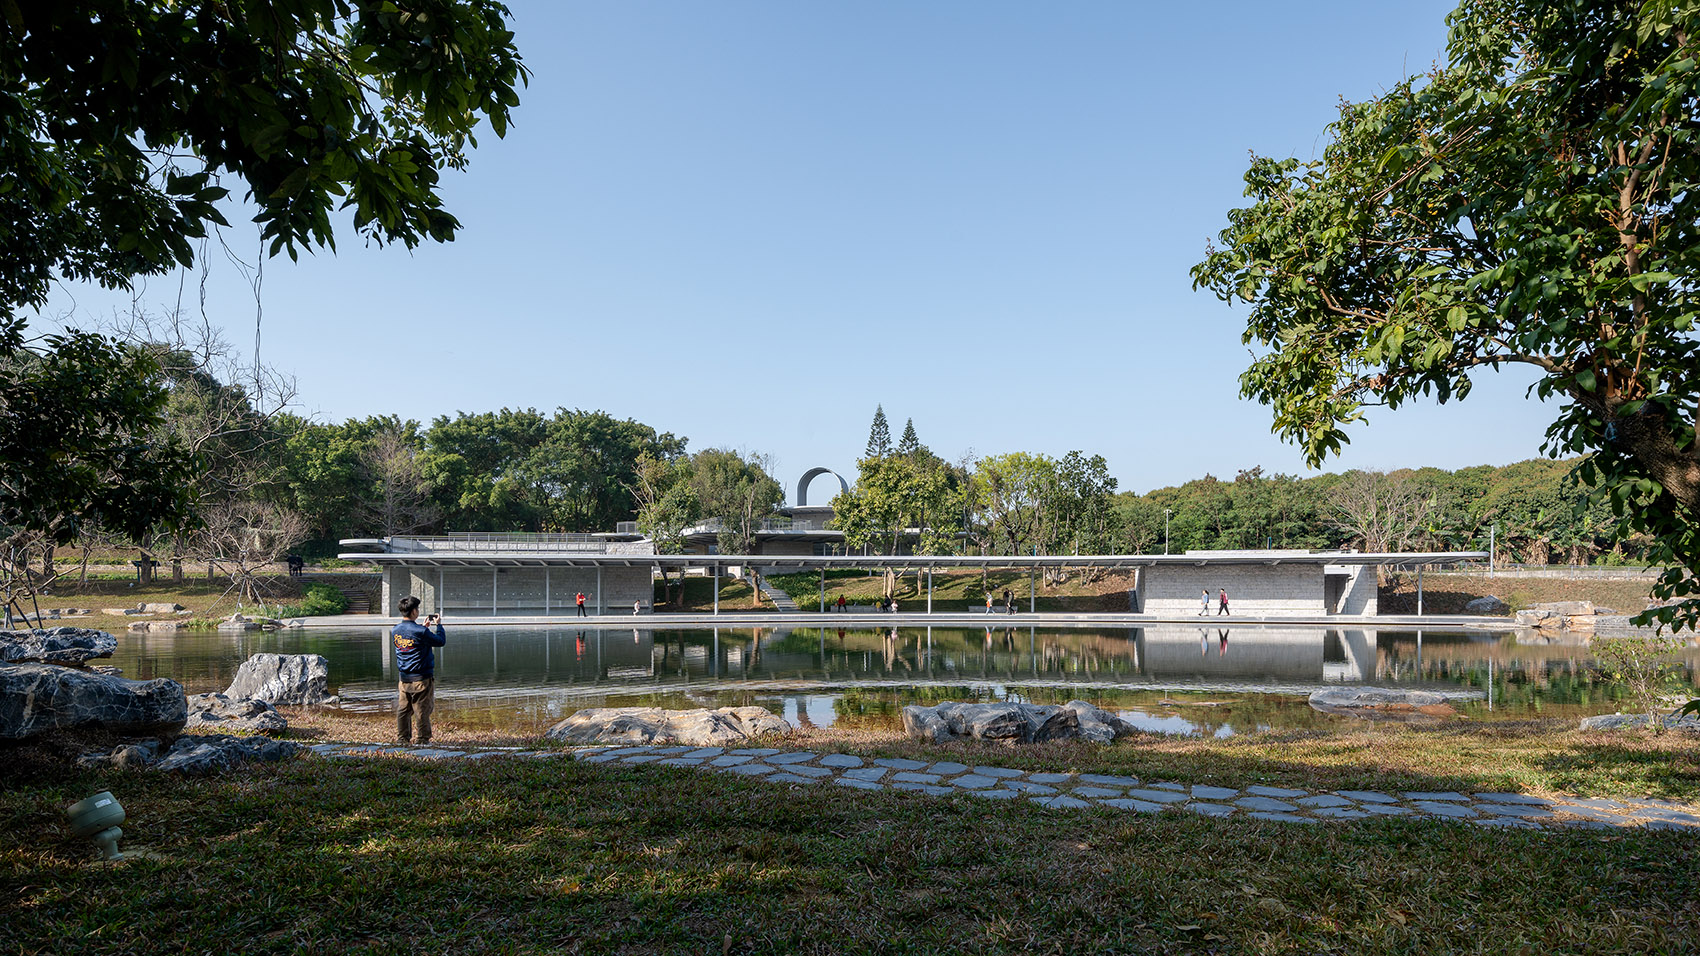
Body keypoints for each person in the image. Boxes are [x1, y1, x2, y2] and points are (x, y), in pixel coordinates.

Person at [391, 596, 446, 745]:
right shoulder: (420, 631)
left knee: (403, 710)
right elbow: (440, 641)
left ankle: (402, 739)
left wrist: (424, 628)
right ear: (414, 611)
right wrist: (438, 626)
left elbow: (412, 643)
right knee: (422, 710)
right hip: (421, 678)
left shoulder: (395, 630)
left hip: (404, 678)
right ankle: (422, 740)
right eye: (417, 609)